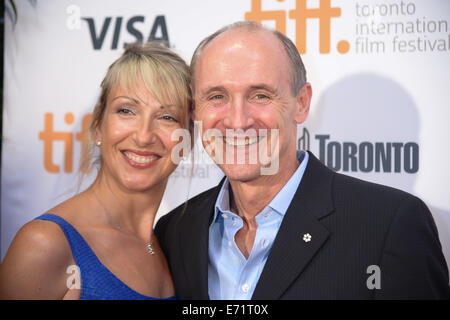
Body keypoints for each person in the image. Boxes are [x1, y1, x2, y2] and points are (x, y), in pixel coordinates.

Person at [155, 21, 450, 299]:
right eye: (217, 96)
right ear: (196, 111)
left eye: (260, 95)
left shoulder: (390, 225)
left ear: (301, 103)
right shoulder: (175, 231)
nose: (238, 120)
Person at [0, 42, 191, 299]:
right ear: (98, 126)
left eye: (167, 117)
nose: (144, 136)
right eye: (126, 111)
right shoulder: (45, 245)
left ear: (188, 138)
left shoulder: (173, 246)